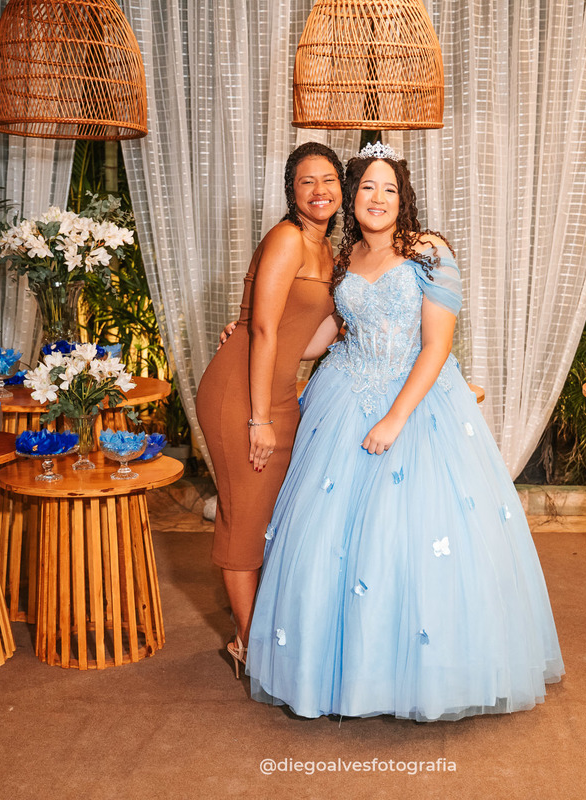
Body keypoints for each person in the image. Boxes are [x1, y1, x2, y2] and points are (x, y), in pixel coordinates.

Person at [245, 142, 563, 721]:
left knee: (416, 536)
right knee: (333, 540)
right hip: (344, 393)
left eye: (389, 188)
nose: (378, 198)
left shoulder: (428, 250)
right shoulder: (344, 259)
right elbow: (324, 337)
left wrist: (394, 418)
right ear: (351, 197)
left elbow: (437, 345)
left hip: (415, 401)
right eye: (367, 186)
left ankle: (424, 673)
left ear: (403, 199)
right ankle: (350, 674)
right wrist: (246, 332)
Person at [195, 141, 345, 678]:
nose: (319, 190)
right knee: (244, 516)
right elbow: (261, 329)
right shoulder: (287, 238)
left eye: (328, 179)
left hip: (278, 391)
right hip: (241, 393)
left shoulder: (329, 253)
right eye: (307, 181)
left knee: (272, 517)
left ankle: (263, 632)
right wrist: (258, 419)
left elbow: (303, 341)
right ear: (291, 191)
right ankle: (248, 644)